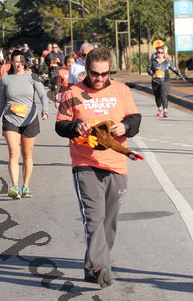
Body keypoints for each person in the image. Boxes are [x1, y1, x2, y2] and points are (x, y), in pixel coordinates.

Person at [55, 46, 141, 288]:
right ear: (86, 69)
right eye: (95, 73)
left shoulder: (121, 90)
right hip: (85, 163)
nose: (100, 78)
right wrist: (76, 126)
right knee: (94, 218)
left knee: (109, 222)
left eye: (105, 73)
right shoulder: (72, 92)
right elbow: (60, 125)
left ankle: (91, 265)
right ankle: (101, 267)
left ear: (110, 70)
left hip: (117, 164)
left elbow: (135, 119)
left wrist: (125, 126)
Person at [0, 50, 49, 199]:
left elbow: (43, 95)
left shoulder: (32, 76)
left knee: (27, 154)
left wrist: (45, 110)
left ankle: (26, 187)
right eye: (16, 61)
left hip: (29, 120)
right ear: (11, 62)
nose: (19, 64)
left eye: (21, 61)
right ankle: (15, 187)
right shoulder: (6, 79)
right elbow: (1, 103)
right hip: (11, 119)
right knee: (13, 153)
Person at [146, 46, 185, 117]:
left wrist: (180, 75)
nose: (160, 54)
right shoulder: (152, 61)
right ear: (156, 53)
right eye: (158, 52)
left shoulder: (167, 61)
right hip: (156, 81)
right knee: (157, 96)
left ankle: (165, 111)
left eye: (161, 52)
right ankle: (159, 109)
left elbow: (174, 69)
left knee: (164, 94)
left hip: (165, 81)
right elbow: (148, 69)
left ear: (163, 53)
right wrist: (152, 74)